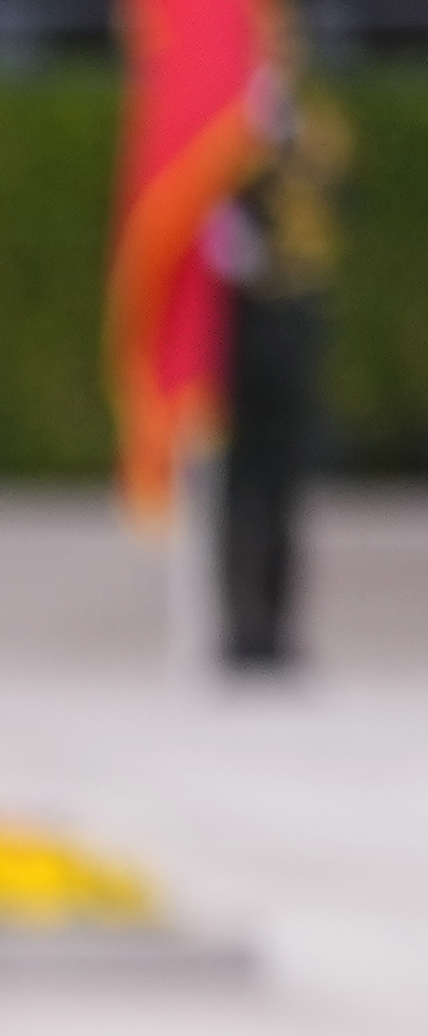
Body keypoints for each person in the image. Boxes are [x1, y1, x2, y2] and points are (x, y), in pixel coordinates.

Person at [217, 79, 350, 675]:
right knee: (243, 482)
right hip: (242, 328)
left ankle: (278, 622)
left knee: (285, 485)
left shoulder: (308, 131)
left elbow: (332, 180)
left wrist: (279, 134)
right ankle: (241, 625)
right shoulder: (229, 142)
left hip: (295, 320)